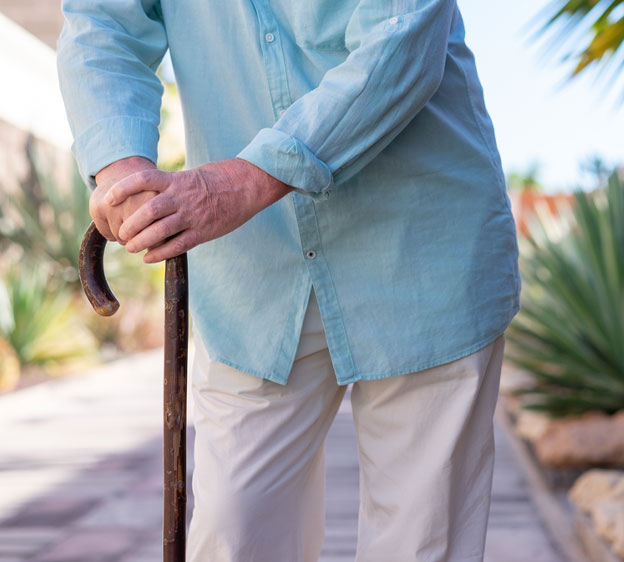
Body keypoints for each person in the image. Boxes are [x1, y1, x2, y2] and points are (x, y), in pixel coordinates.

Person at [57, 0, 521, 560]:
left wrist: (247, 181)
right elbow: (104, 21)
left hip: (422, 244)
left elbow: (401, 37)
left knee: (421, 543)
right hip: (252, 271)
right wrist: (119, 164)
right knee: (233, 532)